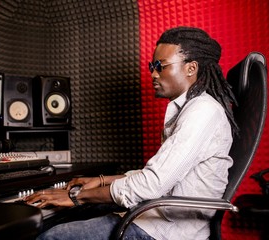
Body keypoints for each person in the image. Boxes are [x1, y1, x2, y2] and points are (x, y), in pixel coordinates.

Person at [23, 26, 239, 240]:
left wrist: (77, 197)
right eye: (152, 66)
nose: (153, 74)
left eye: (160, 66)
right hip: (152, 216)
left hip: (166, 231)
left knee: (52, 236)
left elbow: (152, 184)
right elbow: (160, 175)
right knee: (58, 220)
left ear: (191, 68)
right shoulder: (192, 109)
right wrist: (101, 180)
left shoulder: (203, 112)